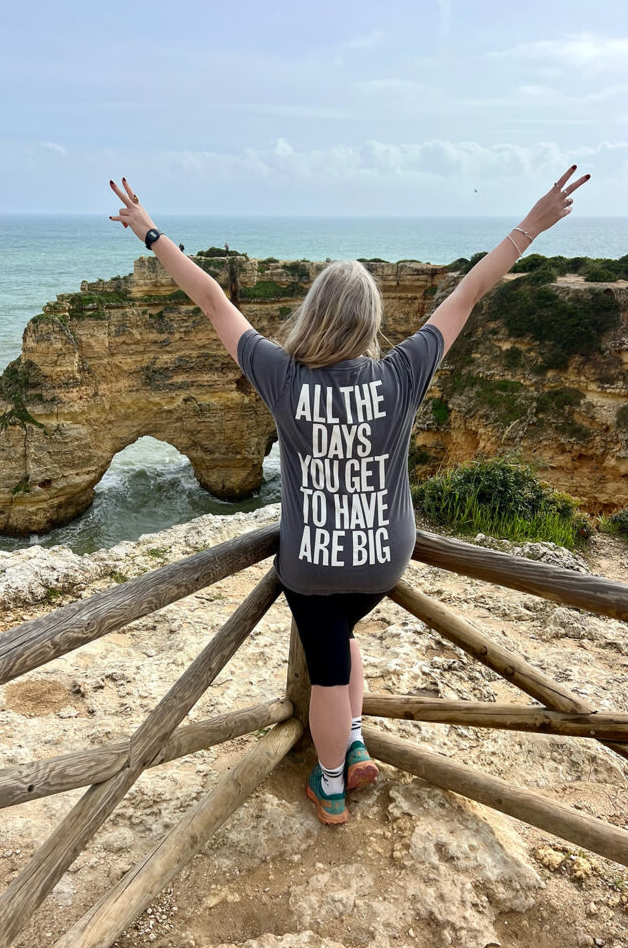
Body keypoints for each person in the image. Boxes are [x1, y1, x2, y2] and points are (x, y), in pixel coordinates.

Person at [108, 166, 591, 825]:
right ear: (371, 319)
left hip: (312, 565)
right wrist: (530, 226)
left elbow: (212, 300)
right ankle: (354, 740)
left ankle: (331, 784)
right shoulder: (402, 373)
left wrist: (150, 231)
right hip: (384, 559)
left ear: (314, 314)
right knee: (343, 642)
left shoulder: (282, 376)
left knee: (328, 671)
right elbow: (471, 291)